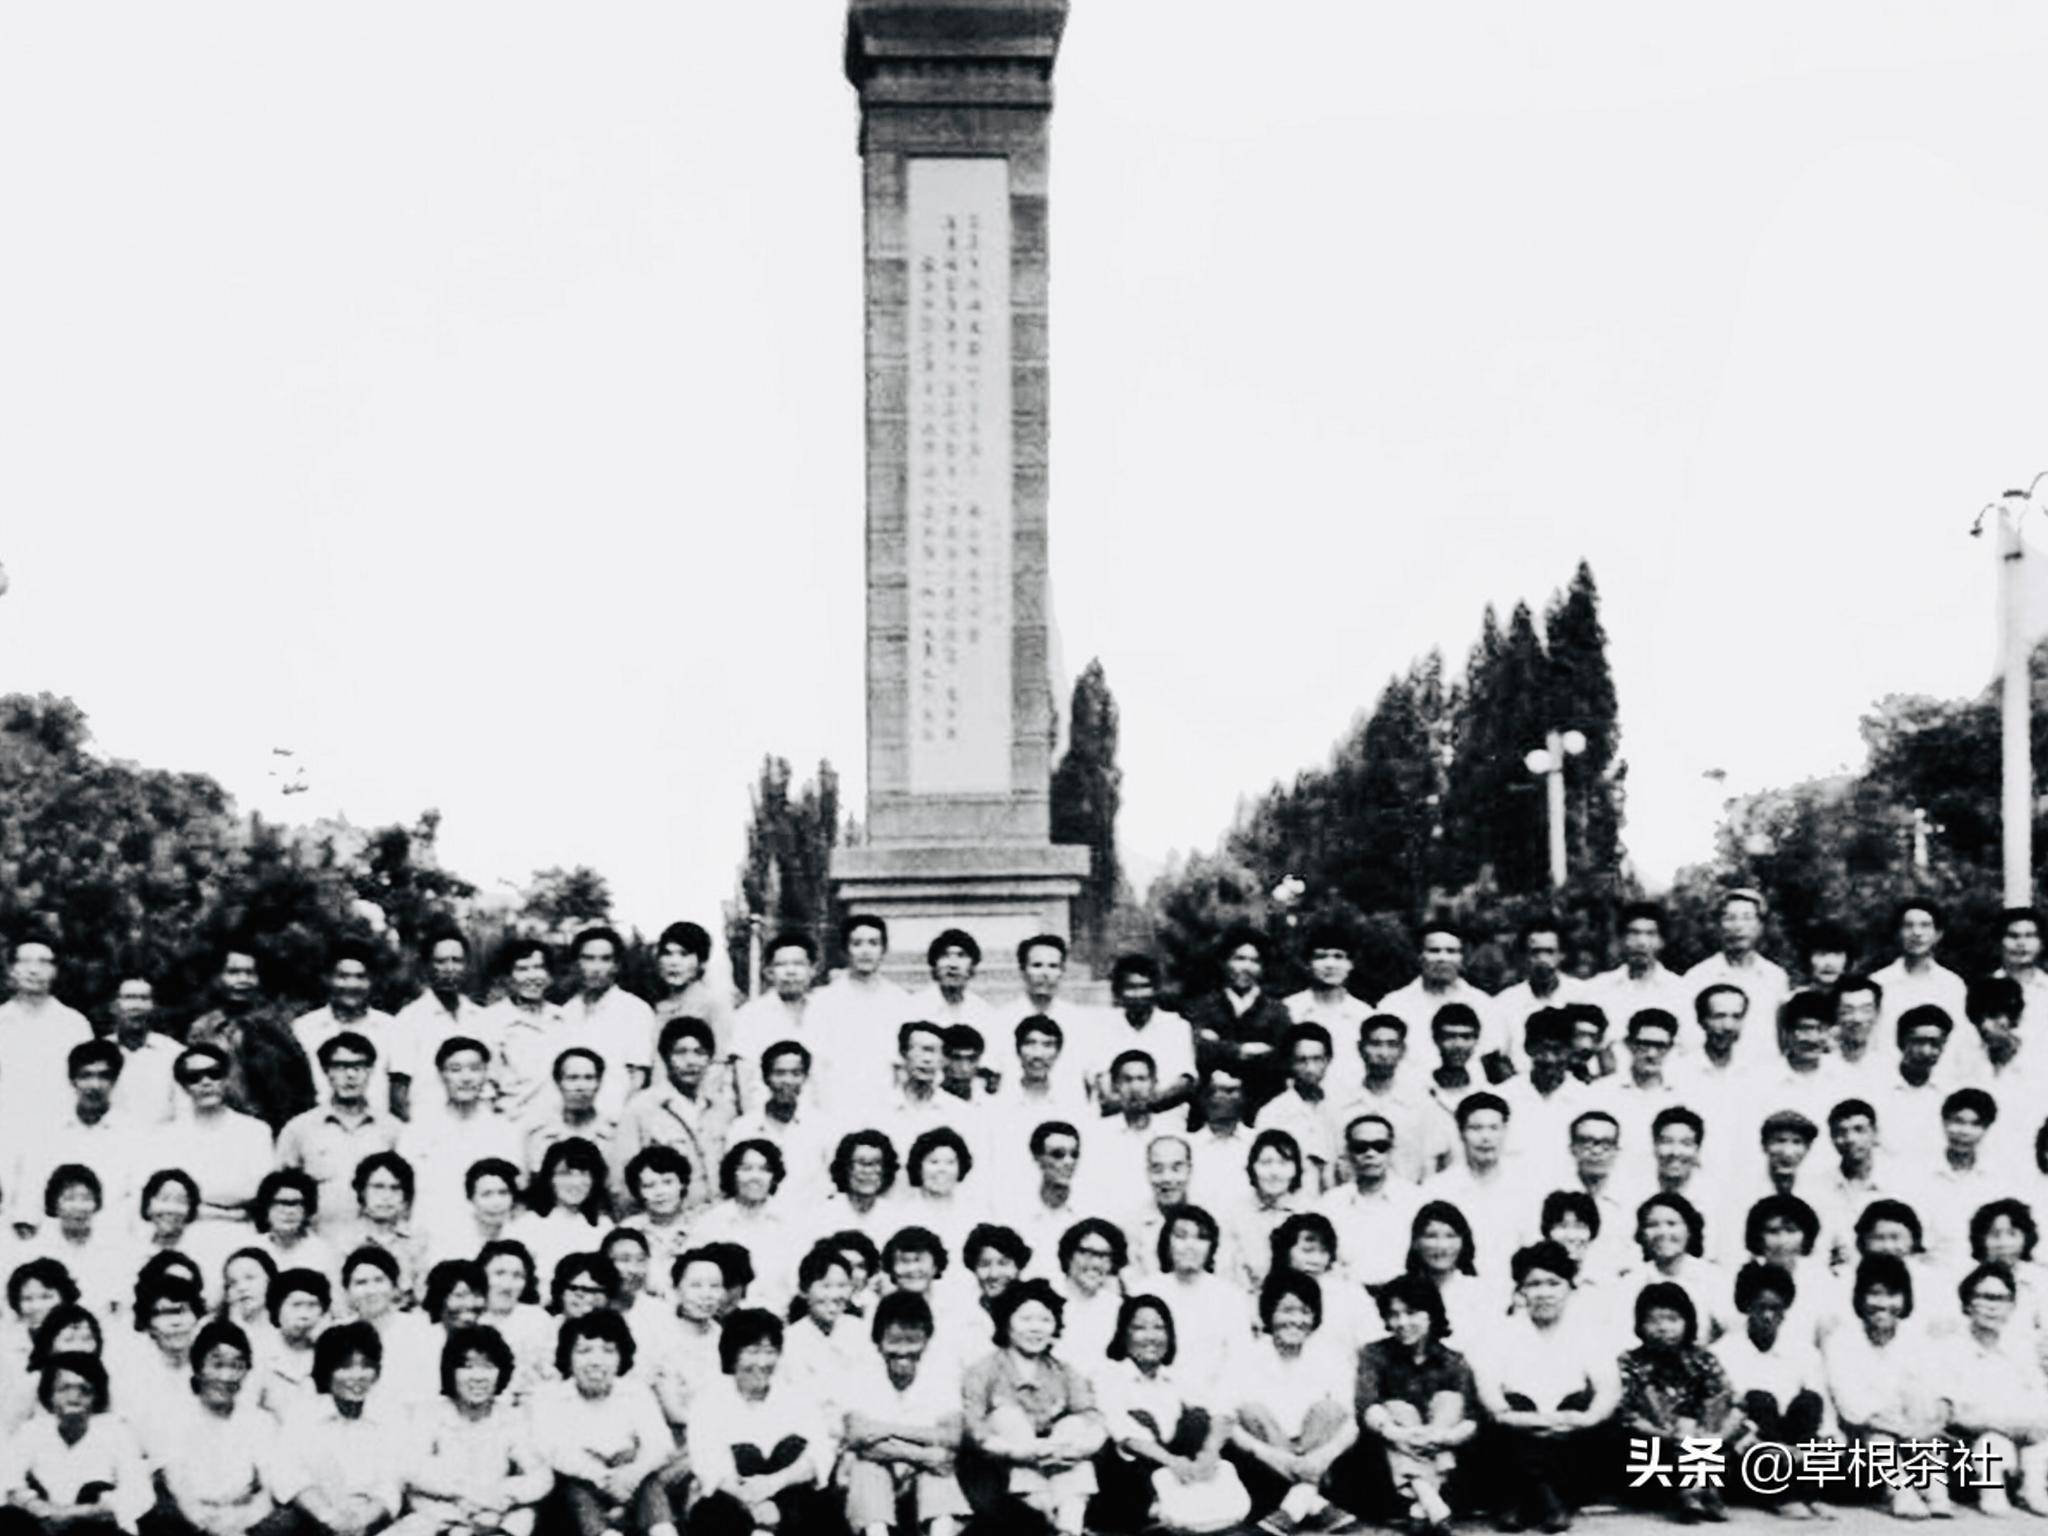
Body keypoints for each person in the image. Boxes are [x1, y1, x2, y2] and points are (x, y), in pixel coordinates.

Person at [1471, 1241, 1622, 1533]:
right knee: (1515, 1406)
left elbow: (1609, 1389)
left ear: (1570, 1288)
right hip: (1517, 1428)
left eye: (1554, 1283)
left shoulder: (1589, 1331)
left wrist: (1586, 1418)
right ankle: (1548, 1499)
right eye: (1534, 1284)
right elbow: (1489, 1392)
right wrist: (1520, 1418)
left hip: (1571, 1428)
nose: (1544, 1292)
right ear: (1520, 1291)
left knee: (1583, 1406)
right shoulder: (1498, 1332)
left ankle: (1526, 1498)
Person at [1093, 1293, 1246, 1535]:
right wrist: (1172, 1462)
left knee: (1198, 1420)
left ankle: (1197, 1512)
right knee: (1140, 1424)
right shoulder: (1109, 1376)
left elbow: (1221, 1410)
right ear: (1124, 1334)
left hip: (1181, 1477)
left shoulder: (1177, 1378)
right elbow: (1124, 1432)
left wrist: (1210, 1452)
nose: (1151, 1336)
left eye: (1159, 1328)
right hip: (1133, 1480)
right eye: (1140, 1328)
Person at [962, 1279, 1105, 1536]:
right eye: (1026, 1319)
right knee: (1007, 1417)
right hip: (1000, 1471)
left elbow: (1092, 1416)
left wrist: (1074, 1448)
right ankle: (1048, 1519)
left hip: (1056, 1465)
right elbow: (975, 1427)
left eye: (1045, 1320)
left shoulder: (1063, 1371)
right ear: (1007, 1322)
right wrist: (1020, 1450)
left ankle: (1069, 1527)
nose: (1036, 1328)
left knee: (1073, 1425)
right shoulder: (983, 1371)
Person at [685, 1308, 839, 1536]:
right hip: (733, 1498)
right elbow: (707, 1463)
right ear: (733, 1353)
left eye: (770, 1352)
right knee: (718, 1501)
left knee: (794, 1453)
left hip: (789, 1495)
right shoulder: (709, 1399)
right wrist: (752, 1500)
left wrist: (774, 1484)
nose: (762, 1362)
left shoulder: (796, 1396)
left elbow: (820, 1453)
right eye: (752, 1351)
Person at [1823, 1254, 1955, 1519]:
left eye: (1893, 1295)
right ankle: (1901, 1492)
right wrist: (1903, 1430)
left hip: (1915, 1434)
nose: (1883, 1304)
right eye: (1875, 1294)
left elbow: (1939, 1392)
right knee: (1879, 1439)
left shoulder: (1917, 1340)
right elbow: (1853, 1409)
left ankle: (1935, 1490)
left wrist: (1927, 1427)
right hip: (1859, 1440)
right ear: (1860, 1297)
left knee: (1922, 1406)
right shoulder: (1842, 1341)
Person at [531, 1310, 686, 1536]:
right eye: (584, 1351)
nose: (596, 1361)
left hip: (633, 1484)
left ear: (621, 1356)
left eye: (608, 1351)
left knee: (648, 1475)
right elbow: (554, 1452)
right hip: (580, 1487)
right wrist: (604, 1478)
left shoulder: (635, 1392)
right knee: (573, 1485)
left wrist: (632, 1474)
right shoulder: (550, 1397)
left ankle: (662, 1529)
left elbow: (660, 1443)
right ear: (568, 1357)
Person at [1225, 1271, 1358, 1530]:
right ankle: (1314, 1503)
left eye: (1305, 1312)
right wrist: (1273, 1456)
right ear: (1269, 1312)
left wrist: (1321, 1458)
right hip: (1266, 1463)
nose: (1296, 1320)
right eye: (1287, 1310)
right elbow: (1229, 1421)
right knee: (1251, 1410)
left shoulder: (1331, 1356)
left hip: (1321, 1461)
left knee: (1329, 1410)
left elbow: (1350, 1425)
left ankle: (1293, 1506)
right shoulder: (1246, 1356)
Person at [391, 1326, 551, 1536]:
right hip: (439, 1518)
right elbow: (411, 1469)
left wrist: (504, 1495)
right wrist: (464, 1493)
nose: (478, 1377)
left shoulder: (512, 1419)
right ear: (451, 1371)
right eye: (467, 1367)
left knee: (525, 1516)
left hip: (495, 1516)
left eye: (488, 1367)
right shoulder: (428, 1414)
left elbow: (541, 1476)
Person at [837, 1290, 971, 1536]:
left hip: (922, 1476)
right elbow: (857, 1438)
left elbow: (952, 1437)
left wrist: (884, 1430)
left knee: (937, 1474)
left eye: (912, 1341)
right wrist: (924, 1453)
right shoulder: (860, 1373)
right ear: (878, 1342)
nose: (903, 1351)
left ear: (926, 1341)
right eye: (894, 1341)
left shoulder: (941, 1375)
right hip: (877, 1470)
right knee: (867, 1468)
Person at [142, 1318, 292, 1536]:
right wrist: (209, 1526)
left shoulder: (261, 1422)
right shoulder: (171, 1418)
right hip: (188, 1524)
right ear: (198, 1368)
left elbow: (269, 1489)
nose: (226, 1376)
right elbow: (178, 1488)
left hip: (246, 1524)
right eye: (218, 1365)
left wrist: (242, 1526)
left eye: (236, 1366)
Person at [1355, 1273, 1477, 1534]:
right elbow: (1366, 1403)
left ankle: (1421, 1505)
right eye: (1394, 1315)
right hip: (1389, 1451)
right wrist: (1398, 1433)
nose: (1402, 1323)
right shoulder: (1374, 1354)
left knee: (1450, 1400)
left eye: (1411, 1313)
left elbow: (1471, 1418)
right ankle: (1430, 1499)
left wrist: (1442, 1436)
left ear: (1431, 1314)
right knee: (1398, 1408)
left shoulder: (1453, 1361)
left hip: (1444, 1450)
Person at [1714, 1262, 1828, 1520]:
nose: (1767, 1316)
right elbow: (1728, 1416)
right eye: (1760, 1308)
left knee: (1810, 1401)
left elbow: (1821, 1410)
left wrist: (1816, 1447)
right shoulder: (1722, 1353)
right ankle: (1783, 1495)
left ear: (1785, 1310)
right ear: (1746, 1307)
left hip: (1798, 1443)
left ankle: (1809, 1495)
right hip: (1749, 1447)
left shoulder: (1804, 1352)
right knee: (1758, 1399)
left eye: (1775, 1308)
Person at [272, 1320, 407, 1536]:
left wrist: (362, 1521)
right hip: (314, 1520)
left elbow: (391, 1483)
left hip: (372, 1523)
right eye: (345, 1367)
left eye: (366, 1366)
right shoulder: (303, 1414)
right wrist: (329, 1517)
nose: (357, 1376)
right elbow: (290, 1475)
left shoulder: (390, 1416)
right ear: (327, 1371)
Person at [1616, 1282, 1733, 1523]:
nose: (1663, 1328)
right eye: (1653, 1320)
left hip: (1705, 1443)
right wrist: (1672, 1436)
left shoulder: (1703, 1359)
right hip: (1655, 1446)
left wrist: (1711, 1438)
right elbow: (1627, 1415)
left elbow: (1731, 1403)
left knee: (1701, 1428)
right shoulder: (1630, 1362)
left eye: (1672, 1319)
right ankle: (1700, 1490)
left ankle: (1693, 1491)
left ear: (1687, 1322)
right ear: (1640, 1324)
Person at [0, 1353, 152, 1536]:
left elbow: (138, 1491)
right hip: (43, 1523)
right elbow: (8, 1478)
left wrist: (81, 1512)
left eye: (84, 1389)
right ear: (49, 1395)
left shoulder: (117, 1432)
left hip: (94, 1524)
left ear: (97, 1395)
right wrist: (35, 1505)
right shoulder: (33, 1430)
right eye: (64, 1389)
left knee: (94, 1490)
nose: (73, 1398)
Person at [1939, 1262, 2048, 1515]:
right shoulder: (1950, 1349)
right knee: (1993, 1443)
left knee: (2039, 1442)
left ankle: (2033, 1491)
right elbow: (1955, 1415)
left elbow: (2037, 1398)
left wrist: (2029, 1425)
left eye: (2001, 1299)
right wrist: (2005, 1425)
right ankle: (1992, 1492)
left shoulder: (2021, 1348)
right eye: (1984, 1297)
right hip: (1968, 1442)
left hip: (2022, 1434)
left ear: (2012, 1306)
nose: (1992, 1306)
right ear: (1967, 1304)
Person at [185, 945, 317, 1134]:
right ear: (218, 978)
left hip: (273, 1126)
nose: (242, 980)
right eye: (233, 972)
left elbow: (300, 1084)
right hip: (218, 1126)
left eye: (249, 973)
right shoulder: (203, 1030)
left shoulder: (277, 1026)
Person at [397, 1038, 523, 1235]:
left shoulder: (505, 1132)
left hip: (489, 1239)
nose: (466, 1078)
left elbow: (517, 1198)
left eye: (475, 1069)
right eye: (455, 1069)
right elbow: (402, 1195)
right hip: (430, 1237)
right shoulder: (416, 1132)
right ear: (441, 1074)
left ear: (486, 1073)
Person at [612, 1017, 732, 1220]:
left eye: (699, 1052)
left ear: (710, 1059)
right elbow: (621, 1185)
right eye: (680, 1052)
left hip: (717, 1222)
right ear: (665, 1057)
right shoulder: (641, 1109)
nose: (690, 1061)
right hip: (665, 1224)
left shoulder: (722, 1109)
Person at [274, 1033, 400, 1222]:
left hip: (377, 1236)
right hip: (319, 1235)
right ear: (326, 1071)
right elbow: (279, 1190)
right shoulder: (299, 1130)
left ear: (370, 1070)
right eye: (340, 1067)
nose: (350, 1076)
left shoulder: (392, 1130)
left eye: (359, 1066)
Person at [155, 1045, 274, 1225]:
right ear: (183, 1086)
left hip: (241, 1227)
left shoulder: (255, 1131)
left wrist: (197, 1197)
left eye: (214, 1073)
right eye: (194, 1077)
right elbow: (166, 1193)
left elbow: (260, 1190)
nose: (206, 1083)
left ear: (227, 1078)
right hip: (187, 1228)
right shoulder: (167, 1136)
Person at [388, 929, 492, 1124]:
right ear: (427, 966)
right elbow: (398, 1095)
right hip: (429, 1127)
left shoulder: (481, 1018)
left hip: (477, 1127)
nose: (449, 968)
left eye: (457, 960)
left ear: (467, 966)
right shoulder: (409, 1020)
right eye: (441, 961)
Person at [1682, 891, 1790, 1072]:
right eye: (1730, 918)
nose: (1738, 926)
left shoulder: (1775, 977)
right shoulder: (1698, 977)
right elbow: (1689, 1036)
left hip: (1765, 1073)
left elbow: (1782, 1035)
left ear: (1760, 926)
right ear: (1718, 926)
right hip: (1714, 1073)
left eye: (1747, 918)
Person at [688, 1140, 798, 1313]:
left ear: (774, 1177)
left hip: (781, 1317)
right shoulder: (710, 1223)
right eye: (746, 1169)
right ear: (732, 1173)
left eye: (764, 1169)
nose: (755, 1177)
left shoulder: (792, 1222)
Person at [290, 943, 399, 1117]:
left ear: (371, 981)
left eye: (360, 977)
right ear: (328, 979)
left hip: (377, 1126)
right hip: (318, 1126)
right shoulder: (303, 1028)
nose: (352, 985)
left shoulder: (392, 1028)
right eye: (343, 976)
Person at [0, 940, 94, 1133]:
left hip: (62, 1127)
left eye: (43, 962)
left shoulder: (74, 1024)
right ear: (11, 970)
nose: (34, 970)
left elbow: (88, 1080)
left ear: (55, 971)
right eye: (25, 962)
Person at [557, 927, 654, 1112]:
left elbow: (638, 1078)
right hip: (570, 1116)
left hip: (615, 1116)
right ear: (576, 964)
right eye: (588, 958)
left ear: (616, 965)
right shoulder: (565, 1012)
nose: (596, 968)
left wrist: (621, 1120)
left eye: (605, 959)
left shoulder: (635, 1010)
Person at [479, 940, 569, 1119]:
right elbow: (485, 1088)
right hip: (513, 1124)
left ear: (549, 975)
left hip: (561, 1124)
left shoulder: (564, 1019)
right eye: (522, 969)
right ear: (508, 977)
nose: (532, 976)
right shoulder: (490, 1022)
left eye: (538, 967)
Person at [506, 1138, 614, 1286]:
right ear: (550, 1178)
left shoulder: (604, 1226)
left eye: (583, 1173)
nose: (575, 1183)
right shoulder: (527, 1225)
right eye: (565, 1173)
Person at [248, 1269, 330, 1415]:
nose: (304, 1315)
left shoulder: (327, 1354)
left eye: (312, 1305)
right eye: (296, 1305)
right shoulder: (258, 1354)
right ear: (277, 1307)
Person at [104, 975, 183, 1126]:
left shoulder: (173, 1053)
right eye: (129, 998)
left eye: (144, 998)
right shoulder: (99, 1051)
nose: (137, 1006)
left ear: (154, 1007)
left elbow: (184, 1110)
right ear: (113, 1006)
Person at [1049, 1219, 1127, 1368]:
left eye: (1104, 1256)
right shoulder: (1045, 1300)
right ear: (1069, 1255)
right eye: (1087, 1253)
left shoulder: (1119, 1309)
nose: (1096, 1264)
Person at [246, 1171, 337, 1284]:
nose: (289, 1211)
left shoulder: (324, 1253)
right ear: (266, 1208)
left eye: (296, 1204)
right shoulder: (251, 1250)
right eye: (281, 1203)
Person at [820, 1131, 901, 1247]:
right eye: (861, 1163)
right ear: (846, 1168)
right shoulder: (824, 1214)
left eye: (876, 1163)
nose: (868, 1171)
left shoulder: (895, 1217)